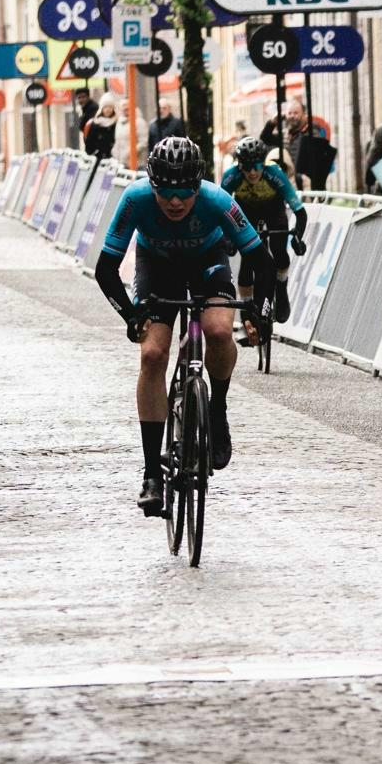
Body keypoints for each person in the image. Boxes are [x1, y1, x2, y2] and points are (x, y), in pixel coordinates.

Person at [95, 136, 269, 515]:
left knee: (220, 331)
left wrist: (260, 310)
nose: (175, 202)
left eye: (185, 194)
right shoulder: (135, 199)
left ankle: (217, 409)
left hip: (208, 261)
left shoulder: (218, 200)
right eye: (166, 194)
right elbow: (105, 269)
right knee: (153, 354)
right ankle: (151, 473)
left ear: (197, 187)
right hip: (156, 268)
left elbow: (261, 259)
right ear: (153, 187)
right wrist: (130, 314)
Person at [220, 135, 308, 344]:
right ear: (239, 165)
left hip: (273, 210)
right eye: (247, 167)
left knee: (279, 251)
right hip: (246, 211)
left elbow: (300, 212)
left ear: (264, 163)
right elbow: (219, 210)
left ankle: (281, 287)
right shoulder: (231, 176)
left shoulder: (274, 173)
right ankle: (247, 310)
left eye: (257, 166)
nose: (252, 172)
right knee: (247, 261)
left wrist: (297, 236)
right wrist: (227, 238)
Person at [279, 100, 336, 191]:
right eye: (289, 113)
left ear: (304, 115)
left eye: (296, 113)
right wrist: (272, 122)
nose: (292, 116)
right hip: (290, 183)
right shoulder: (285, 134)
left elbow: (316, 165)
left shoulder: (312, 133)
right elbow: (265, 138)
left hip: (307, 186)